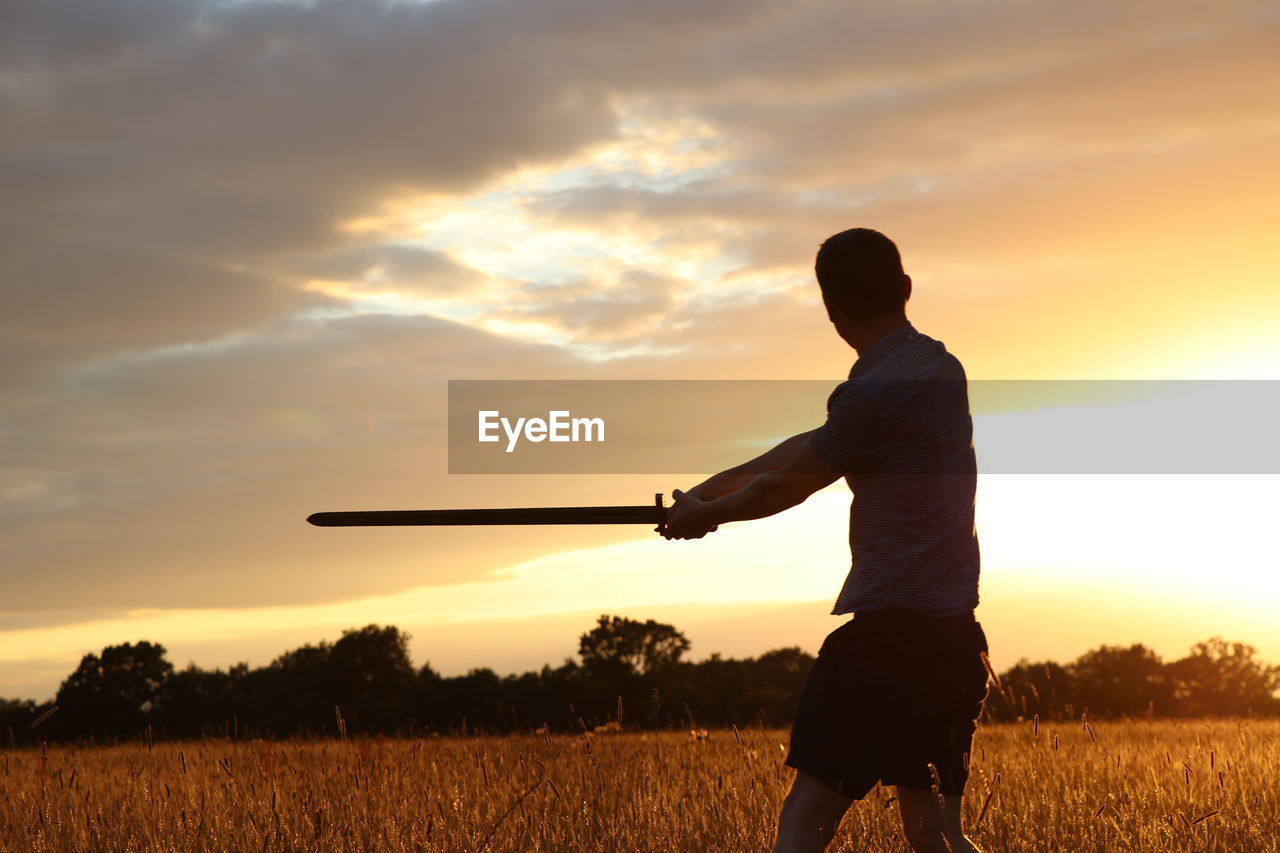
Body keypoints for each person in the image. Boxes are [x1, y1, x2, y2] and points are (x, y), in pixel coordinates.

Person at [662, 227, 988, 853]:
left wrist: (707, 515)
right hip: (952, 641)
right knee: (937, 838)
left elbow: (789, 485)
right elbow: (810, 447)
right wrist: (709, 488)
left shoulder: (872, 394)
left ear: (831, 309)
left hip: (887, 642)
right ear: (906, 289)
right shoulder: (938, 368)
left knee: (804, 823)